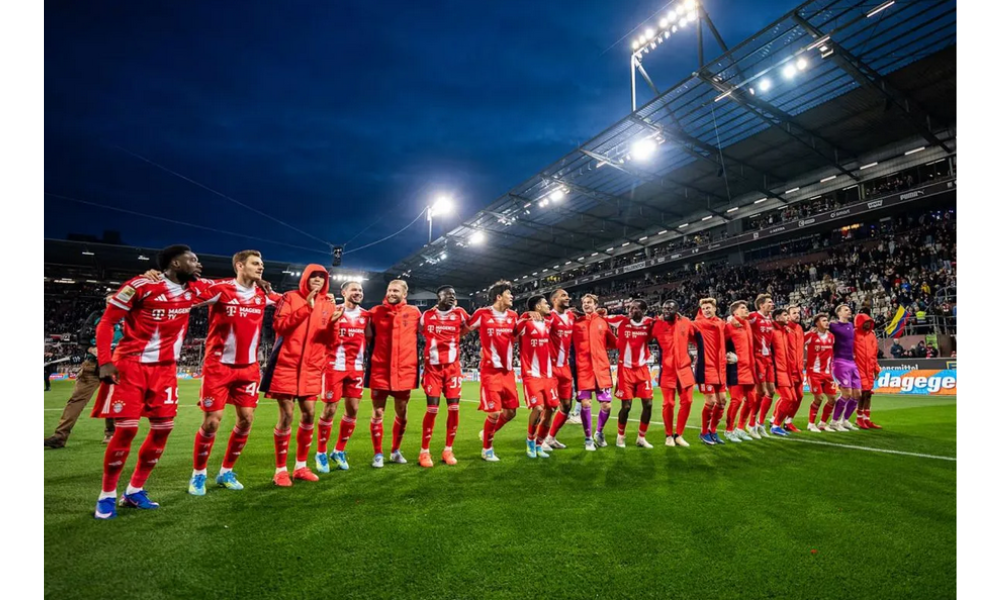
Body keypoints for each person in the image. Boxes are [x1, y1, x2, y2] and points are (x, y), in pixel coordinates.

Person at [90, 245, 213, 519]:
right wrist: (105, 360)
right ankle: (106, 495)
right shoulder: (141, 285)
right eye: (193, 259)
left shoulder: (196, 290)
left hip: (166, 370)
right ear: (175, 263)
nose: (198, 264)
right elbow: (107, 322)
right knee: (126, 431)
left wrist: (260, 283)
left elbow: (233, 287)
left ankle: (134, 490)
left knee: (163, 429)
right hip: (131, 366)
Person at [187, 250, 284, 495]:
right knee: (211, 422)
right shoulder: (220, 289)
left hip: (249, 369)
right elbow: (183, 293)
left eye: (262, 264)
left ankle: (226, 471)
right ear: (240, 266)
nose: (261, 267)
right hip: (218, 367)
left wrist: (324, 297)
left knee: (246, 419)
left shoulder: (263, 294)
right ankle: (198, 474)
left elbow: (291, 301)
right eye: (255, 263)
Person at [261, 265, 338, 486]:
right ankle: (280, 470)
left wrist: (333, 326)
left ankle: (301, 467)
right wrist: (306, 307)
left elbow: (331, 342)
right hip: (286, 364)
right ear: (305, 278)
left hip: (312, 368)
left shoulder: (329, 304)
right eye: (313, 276)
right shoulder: (290, 297)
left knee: (309, 414)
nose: (318, 280)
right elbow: (280, 326)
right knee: (286, 415)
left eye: (322, 277)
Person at [45, 296, 122, 448]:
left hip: (116, 366)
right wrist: (91, 349)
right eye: (108, 301)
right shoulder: (96, 316)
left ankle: (111, 433)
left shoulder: (129, 318)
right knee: (77, 400)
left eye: (115, 301)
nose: (111, 304)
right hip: (93, 365)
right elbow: (83, 337)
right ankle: (60, 436)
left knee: (114, 399)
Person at [365, 279, 421, 468]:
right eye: (389, 290)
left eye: (395, 291)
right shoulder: (375, 312)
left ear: (404, 294)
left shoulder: (414, 313)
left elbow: (429, 331)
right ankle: (378, 454)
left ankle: (396, 451)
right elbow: (364, 335)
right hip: (380, 370)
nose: (391, 293)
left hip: (405, 371)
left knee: (402, 412)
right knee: (378, 412)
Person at [417, 285, 470, 467]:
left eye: (454, 294)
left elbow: (470, 326)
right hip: (433, 369)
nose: (452, 297)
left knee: (454, 409)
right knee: (432, 409)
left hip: (453, 369)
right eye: (448, 294)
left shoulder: (460, 313)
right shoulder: (427, 315)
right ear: (438, 297)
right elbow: (419, 331)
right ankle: (424, 452)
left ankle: (448, 450)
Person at [468, 280, 520, 462]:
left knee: (511, 413)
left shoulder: (514, 316)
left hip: (508, 372)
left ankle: (487, 433)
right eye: (508, 294)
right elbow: (464, 328)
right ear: (499, 297)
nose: (512, 296)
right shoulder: (482, 314)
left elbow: (517, 336)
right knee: (495, 412)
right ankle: (487, 449)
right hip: (490, 372)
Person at [320, 280, 369, 472]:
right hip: (334, 367)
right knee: (330, 410)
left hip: (356, 368)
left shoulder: (366, 315)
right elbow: (320, 334)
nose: (358, 292)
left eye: (360, 290)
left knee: (353, 410)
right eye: (354, 289)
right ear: (344, 293)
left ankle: (339, 450)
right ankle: (321, 452)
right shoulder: (333, 311)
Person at [605, 299, 655, 449]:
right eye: (630, 308)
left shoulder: (650, 323)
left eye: (635, 308)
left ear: (643, 311)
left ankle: (641, 438)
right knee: (626, 407)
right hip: (625, 370)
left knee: (648, 404)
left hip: (642, 369)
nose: (631, 311)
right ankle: (621, 436)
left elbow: (667, 323)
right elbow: (599, 318)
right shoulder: (621, 321)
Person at [571, 293, 617, 450]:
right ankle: (588, 438)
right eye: (584, 302)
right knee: (585, 403)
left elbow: (613, 343)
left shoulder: (603, 322)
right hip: (583, 370)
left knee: (606, 406)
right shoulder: (577, 322)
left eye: (589, 302)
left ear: (596, 304)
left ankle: (599, 432)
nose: (586, 304)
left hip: (602, 369)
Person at [516, 295, 557, 458]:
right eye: (546, 303)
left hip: (548, 376)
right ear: (537, 307)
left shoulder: (548, 323)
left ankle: (540, 444)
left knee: (551, 409)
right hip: (531, 375)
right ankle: (530, 441)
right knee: (538, 408)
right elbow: (513, 331)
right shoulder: (526, 323)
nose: (549, 305)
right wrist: (525, 315)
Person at [651, 300, 696, 448]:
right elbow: (642, 334)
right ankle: (668, 435)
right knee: (668, 403)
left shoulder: (686, 322)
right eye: (664, 308)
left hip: (685, 369)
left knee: (687, 401)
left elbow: (698, 337)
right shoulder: (657, 325)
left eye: (669, 309)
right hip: (667, 370)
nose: (666, 311)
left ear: (677, 310)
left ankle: (679, 435)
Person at [539, 289, 576, 451]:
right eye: (563, 296)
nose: (568, 297)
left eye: (568, 295)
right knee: (550, 407)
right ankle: (539, 440)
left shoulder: (571, 316)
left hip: (565, 368)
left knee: (566, 406)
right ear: (554, 300)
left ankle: (551, 437)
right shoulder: (549, 317)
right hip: (551, 369)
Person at [692, 298, 728, 445]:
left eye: (709, 307)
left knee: (722, 401)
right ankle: (704, 432)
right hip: (705, 368)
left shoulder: (721, 323)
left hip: (720, 368)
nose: (706, 310)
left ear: (715, 308)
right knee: (711, 401)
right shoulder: (697, 324)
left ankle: (713, 431)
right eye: (704, 308)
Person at [724, 300, 756, 442]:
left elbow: (762, 314)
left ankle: (740, 428)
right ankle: (729, 430)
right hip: (735, 369)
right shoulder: (729, 326)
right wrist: (726, 356)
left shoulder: (747, 323)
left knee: (752, 400)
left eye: (746, 307)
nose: (746, 309)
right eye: (743, 308)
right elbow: (720, 343)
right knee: (736, 401)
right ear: (735, 312)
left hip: (749, 370)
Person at [746, 294, 776, 438]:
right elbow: (737, 320)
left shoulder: (769, 318)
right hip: (757, 358)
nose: (772, 304)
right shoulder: (753, 316)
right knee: (761, 392)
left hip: (768, 358)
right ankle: (751, 423)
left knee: (771, 391)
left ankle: (760, 422)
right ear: (761, 305)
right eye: (769, 302)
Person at [828, 304, 862, 432]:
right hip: (839, 362)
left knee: (857, 394)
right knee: (846, 393)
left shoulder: (851, 325)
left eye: (849, 309)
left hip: (852, 362)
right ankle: (834, 422)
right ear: (839, 313)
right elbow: (821, 327)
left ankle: (845, 420)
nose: (849, 311)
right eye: (846, 310)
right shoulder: (833, 325)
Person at [804, 313, 837, 432]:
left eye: (827, 320)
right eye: (823, 320)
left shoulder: (831, 337)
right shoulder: (810, 335)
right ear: (817, 323)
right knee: (818, 398)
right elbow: (797, 343)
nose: (827, 322)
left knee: (832, 399)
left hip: (828, 373)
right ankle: (811, 424)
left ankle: (822, 423)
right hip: (814, 373)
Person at [767, 308, 795, 437]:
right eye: (785, 315)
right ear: (777, 318)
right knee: (787, 398)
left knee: (792, 398)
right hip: (777, 370)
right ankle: (775, 425)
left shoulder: (785, 331)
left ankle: (774, 421)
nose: (788, 317)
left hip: (786, 370)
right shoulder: (771, 331)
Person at [854, 310, 882, 430]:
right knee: (862, 394)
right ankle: (859, 418)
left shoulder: (872, 335)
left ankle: (866, 419)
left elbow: (874, 353)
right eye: (866, 322)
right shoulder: (854, 334)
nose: (868, 324)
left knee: (868, 394)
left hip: (869, 368)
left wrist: (876, 368)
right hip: (858, 368)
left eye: (869, 322)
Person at [779, 305, 806, 432]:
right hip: (788, 369)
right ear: (788, 316)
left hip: (799, 369)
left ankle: (788, 421)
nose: (797, 315)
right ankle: (775, 421)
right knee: (788, 397)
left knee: (799, 396)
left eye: (798, 313)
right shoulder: (784, 329)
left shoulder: (799, 328)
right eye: (794, 313)